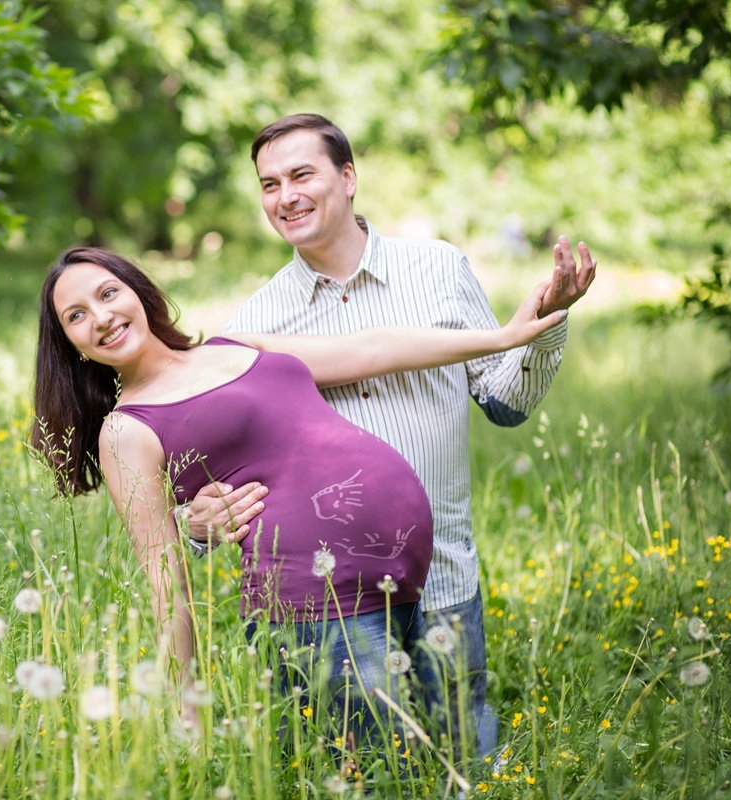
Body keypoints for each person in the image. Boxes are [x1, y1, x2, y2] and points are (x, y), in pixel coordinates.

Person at [29, 246, 569, 768]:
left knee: (434, 766)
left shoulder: (231, 344)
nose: (101, 317)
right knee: (377, 779)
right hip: (315, 606)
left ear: (138, 293)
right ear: (71, 344)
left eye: (107, 293)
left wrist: (503, 337)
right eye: (77, 315)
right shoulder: (126, 428)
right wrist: (185, 701)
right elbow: (163, 572)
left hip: (405, 582)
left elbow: (370, 350)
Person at [183, 113, 597, 761]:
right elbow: (214, 472)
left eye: (300, 175)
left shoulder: (437, 270)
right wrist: (199, 519)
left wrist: (542, 323)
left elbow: (505, 403)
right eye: (268, 184)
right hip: (331, 604)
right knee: (359, 770)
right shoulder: (258, 321)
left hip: (443, 579)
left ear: (348, 178)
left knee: (467, 761)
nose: (285, 196)